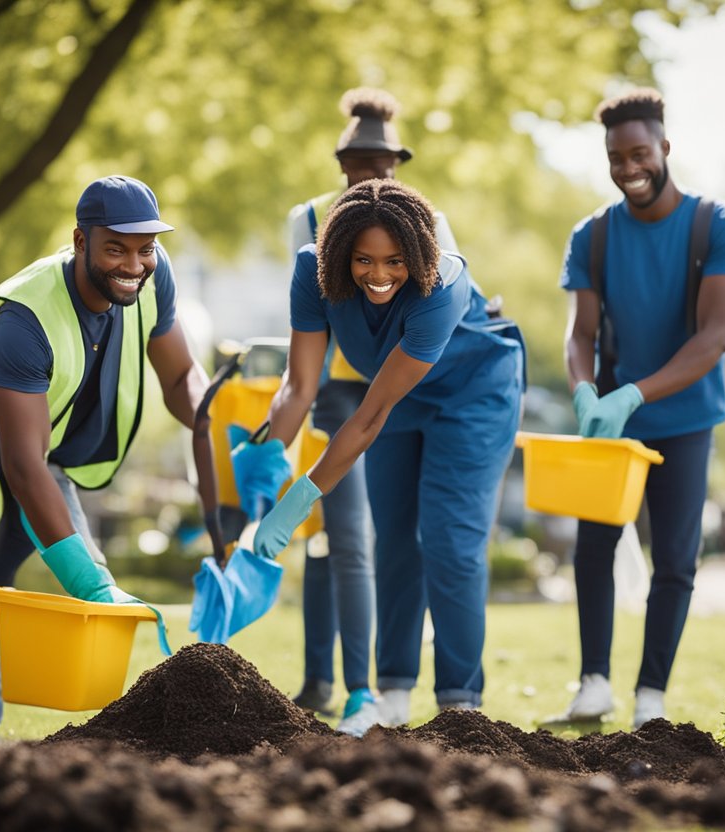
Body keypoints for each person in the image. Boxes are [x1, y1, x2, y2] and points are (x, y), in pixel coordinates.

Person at [0, 176, 218, 767]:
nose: (134, 263)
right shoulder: (26, 318)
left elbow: (179, 377)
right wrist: (90, 584)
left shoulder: (151, 274)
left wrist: (219, 436)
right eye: (115, 247)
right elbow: (19, 465)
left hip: (38, 454)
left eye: (144, 248)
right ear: (80, 241)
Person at [232, 179, 523, 737]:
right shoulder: (312, 272)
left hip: (473, 394)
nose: (380, 275)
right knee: (392, 537)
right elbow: (299, 386)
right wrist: (268, 456)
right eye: (363, 260)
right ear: (340, 255)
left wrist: (299, 500)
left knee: (449, 539)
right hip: (398, 397)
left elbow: (366, 418)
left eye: (394, 262)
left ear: (416, 255)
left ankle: (461, 706)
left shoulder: (442, 286)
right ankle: (392, 692)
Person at [559, 87, 725, 728]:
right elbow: (581, 333)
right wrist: (586, 388)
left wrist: (635, 393)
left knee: (675, 560)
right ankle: (593, 685)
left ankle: (651, 698)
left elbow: (714, 339)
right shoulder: (591, 236)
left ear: (664, 148)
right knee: (594, 551)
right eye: (615, 157)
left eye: (639, 153)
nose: (627, 169)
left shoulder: (716, 225)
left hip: (685, 419)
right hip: (611, 428)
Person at [283, 88, 458, 722]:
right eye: (359, 160)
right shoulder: (307, 223)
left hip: (396, 391)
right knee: (328, 539)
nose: (370, 172)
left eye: (381, 162)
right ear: (342, 161)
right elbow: (309, 322)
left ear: (396, 165)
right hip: (334, 389)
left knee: (357, 537)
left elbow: (444, 299)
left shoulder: (424, 224)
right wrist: (273, 451)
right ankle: (316, 679)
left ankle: (362, 687)